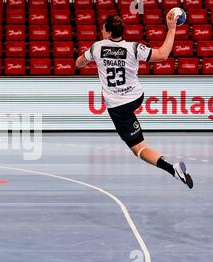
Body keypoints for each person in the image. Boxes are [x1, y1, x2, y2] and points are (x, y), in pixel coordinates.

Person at [75, 13, 193, 189]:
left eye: (102, 28)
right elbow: (162, 55)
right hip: (137, 97)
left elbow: (78, 63)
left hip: (118, 107)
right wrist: (172, 29)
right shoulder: (134, 48)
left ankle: (172, 169)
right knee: (135, 134)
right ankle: (173, 170)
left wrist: (88, 60)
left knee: (139, 149)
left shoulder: (96, 48)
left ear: (107, 32)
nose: (101, 30)